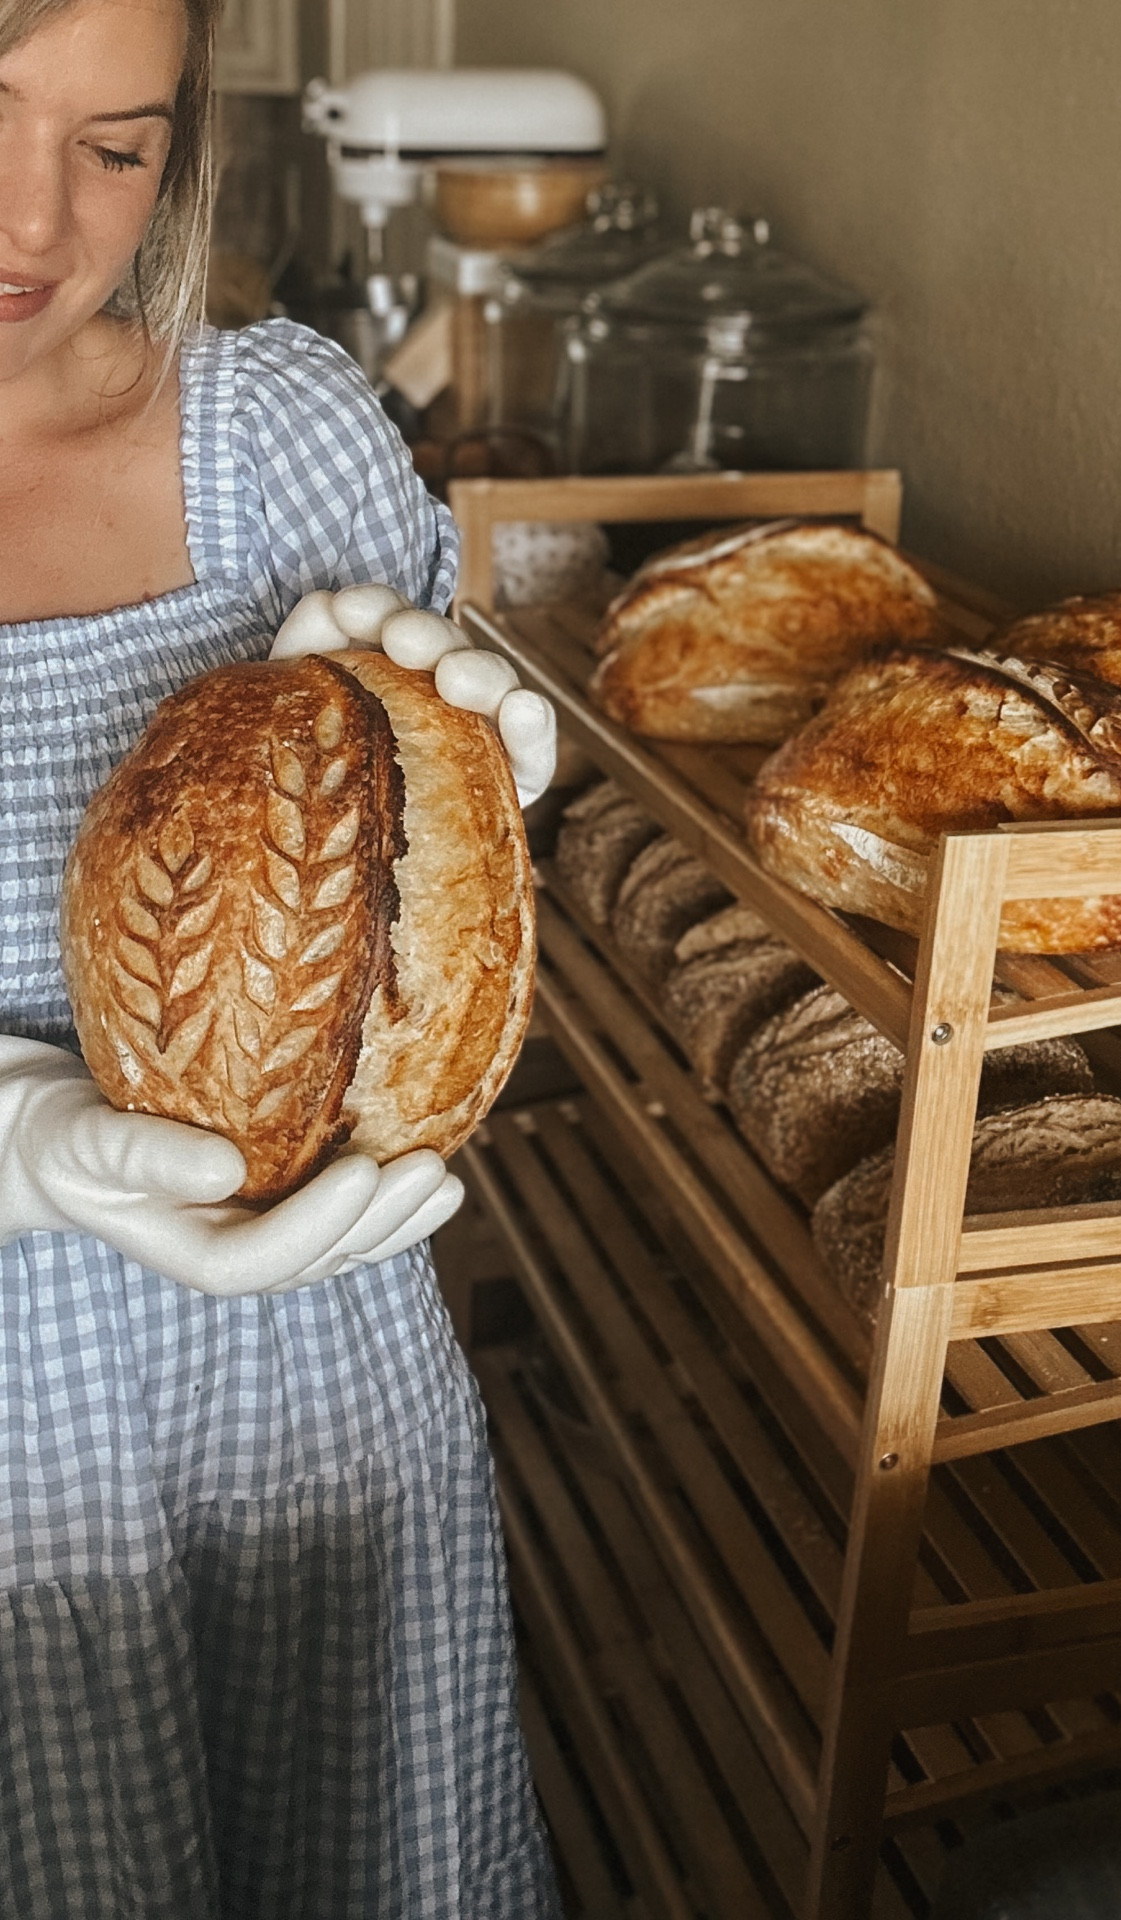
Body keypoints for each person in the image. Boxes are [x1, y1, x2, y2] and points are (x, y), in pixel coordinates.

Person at [0, 0, 562, 1912]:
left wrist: (490, 765)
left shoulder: (284, 425)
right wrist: (13, 1139)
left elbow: (439, 873)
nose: (32, 226)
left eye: (114, 145)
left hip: (322, 1412)